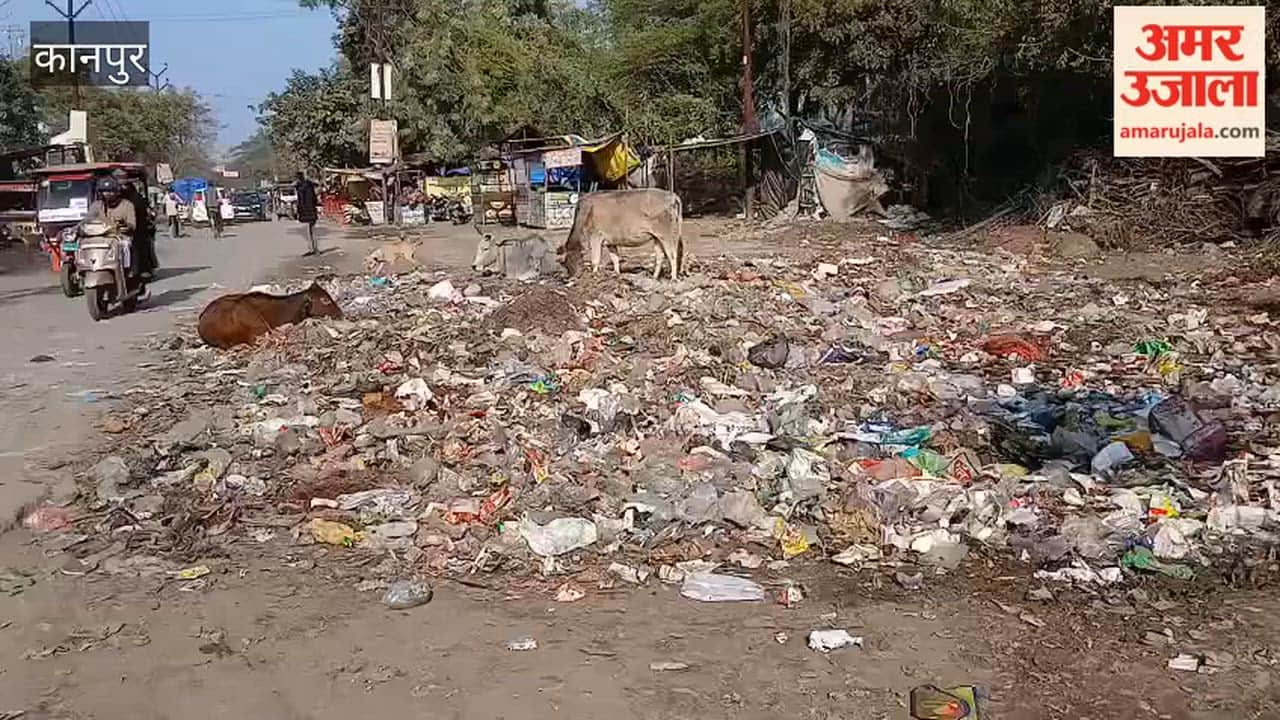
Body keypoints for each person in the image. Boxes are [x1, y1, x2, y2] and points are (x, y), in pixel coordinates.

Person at [116, 173, 158, 279]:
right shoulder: (102, 202)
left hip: (135, 227)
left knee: (136, 245)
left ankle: (137, 270)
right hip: (112, 229)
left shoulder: (133, 200)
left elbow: (139, 213)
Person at [294, 171, 319, 256]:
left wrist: (298, 211)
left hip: (305, 212)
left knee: (310, 231)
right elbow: (314, 198)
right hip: (311, 210)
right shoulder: (309, 185)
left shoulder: (300, 187)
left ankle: (313, 249)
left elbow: (300, 201)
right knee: (312, 230)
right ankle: (314, 249)